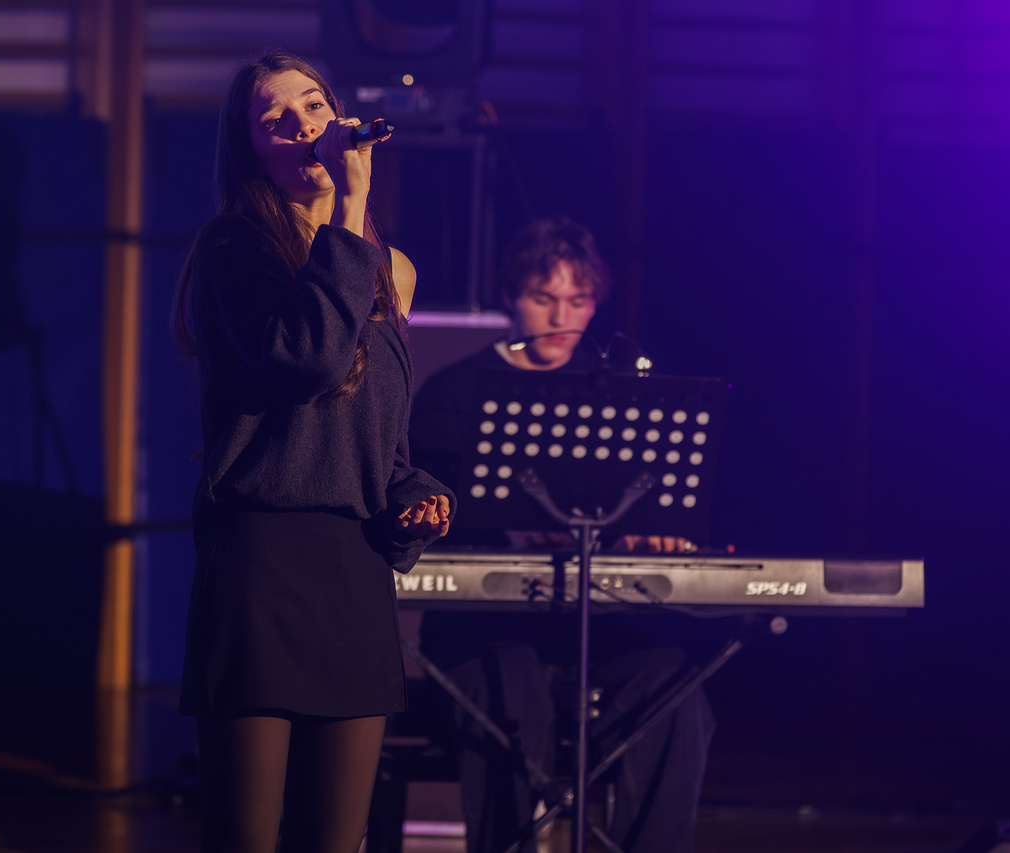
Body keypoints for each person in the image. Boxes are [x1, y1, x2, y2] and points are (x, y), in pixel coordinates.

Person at [170, 50, 454, 853]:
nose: (303, 125)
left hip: (352, 566)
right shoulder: (234, 250)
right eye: (276, 118)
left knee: (335, 838)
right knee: (246, 836)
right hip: (260, 561)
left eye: (315, 105)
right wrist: (352, 204)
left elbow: (379, 437)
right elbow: (308, 361)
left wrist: (412, 495)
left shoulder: (391, 272)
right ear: (252, 149)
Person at [408, 217, 716, 853]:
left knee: (674, 691)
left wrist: (649, 534)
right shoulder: (454, 392)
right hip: (484, 625)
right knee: (509, 691)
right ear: (510, 297)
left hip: (591, 627)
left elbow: (649, 502)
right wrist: (511, 528)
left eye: (578, 301)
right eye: (543, 298)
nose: (560, 317)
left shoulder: (620, 390)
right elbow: (427, 516)